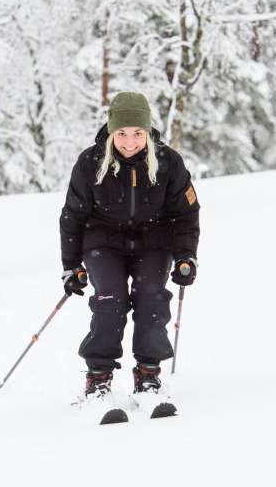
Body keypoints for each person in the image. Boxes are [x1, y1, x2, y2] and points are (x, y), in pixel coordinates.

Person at [59, 91, 200, 397]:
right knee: (111, 299)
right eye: (121, 133)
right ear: (111, 132)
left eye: (137, 133)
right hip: (103, 240)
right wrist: (71, 267)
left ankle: (148, 374)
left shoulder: (168, 162)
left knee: (151, 298)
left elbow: (186, 213)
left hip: (153, 241)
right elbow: (72, 216)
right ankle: (99, 377)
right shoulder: (90, 162)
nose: (129, 142)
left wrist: (186, 257)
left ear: (147, 132)